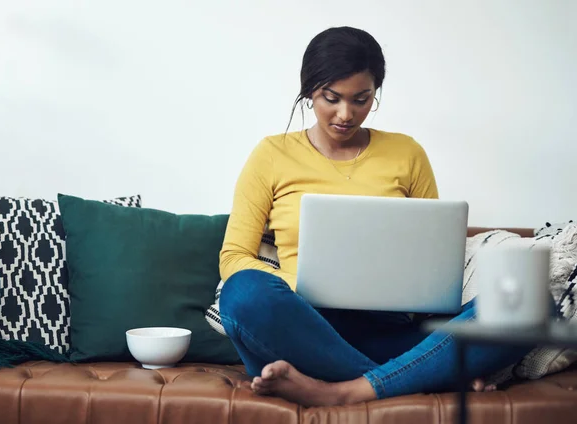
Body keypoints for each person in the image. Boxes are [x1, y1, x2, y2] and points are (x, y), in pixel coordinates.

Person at [218, 26, 531, 407]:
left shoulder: (406, 153)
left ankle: (344, 390)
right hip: (304, 327)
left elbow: (435, 256)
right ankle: (416, 375)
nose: (345, 114)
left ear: (375, 94)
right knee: (244, 292)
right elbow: (233, 259)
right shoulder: (271, 154)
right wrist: (312, 285)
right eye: (330, 98)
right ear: (308, 90)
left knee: (529, 305)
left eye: (361, 99)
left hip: (393, 330)